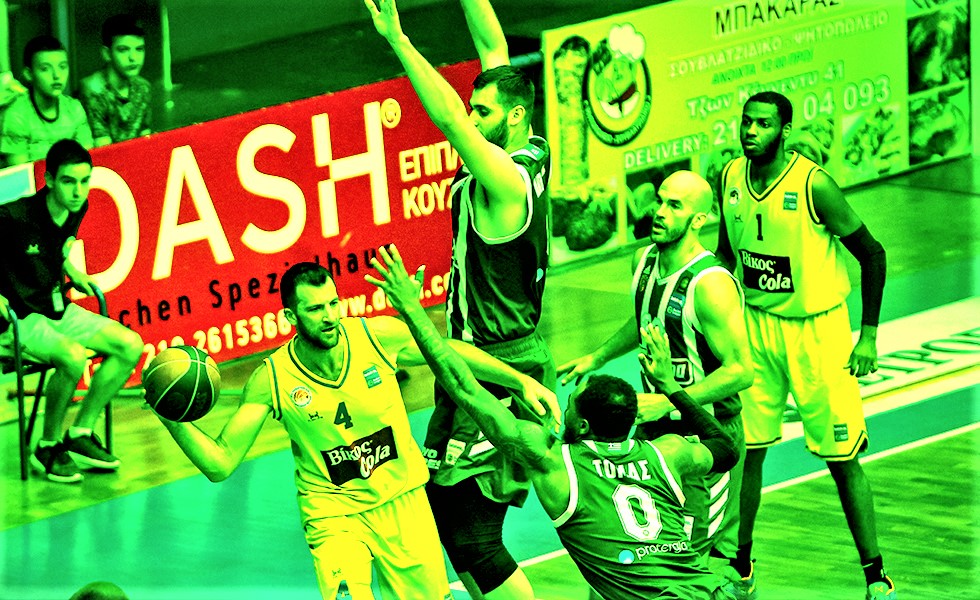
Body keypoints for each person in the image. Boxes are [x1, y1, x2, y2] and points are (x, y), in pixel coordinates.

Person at [155, 260, 559, 600]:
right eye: (315, 308)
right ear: (291, 317)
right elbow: (221, 462)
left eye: (333, 303)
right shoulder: (272, 379)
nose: (329, 315)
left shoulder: (376, 337)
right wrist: (170, 417)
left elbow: (449, 351)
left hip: (403, 500)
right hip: (333, 514)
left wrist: (519, 380)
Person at [366, 244, 740, 600]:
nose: (563, 406)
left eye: (570, 404)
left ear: (582, 427)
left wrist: (413, 310)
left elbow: (464, 387)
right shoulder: (669, 452)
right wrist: (671, 388)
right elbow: (724, 446)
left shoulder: (555, 465)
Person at [366, 1, 553, 598]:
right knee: (448, 511)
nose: (474, 116)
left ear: (514, 115)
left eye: (484, 112)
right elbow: (493, 45)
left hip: (497, 360)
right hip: (472, 354)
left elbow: (450, 122)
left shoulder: (507, 182)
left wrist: (399, 40)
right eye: (474, 107)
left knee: (471, 531)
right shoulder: (532, 145)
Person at [715, 91, 895, 600]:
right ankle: (740, 566)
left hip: (819, 332)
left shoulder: (815, 186)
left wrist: (869, 336)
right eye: (746, 122)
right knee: (744, 452)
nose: (751, 131)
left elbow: (873, 254)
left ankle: (875, 574)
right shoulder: (730, 177)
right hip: (756, 328)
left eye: (763, 123)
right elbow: (726, 256)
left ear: (784, 130)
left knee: (842, 458)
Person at [558, 170, 753, 589]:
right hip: (654, 430)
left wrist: (669, 398)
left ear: (699, 219)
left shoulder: (711, 284)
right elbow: (647, 316)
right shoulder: (643, 260)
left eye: (674, 206)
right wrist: (598, 355)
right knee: (630, 549)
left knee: (689, 560)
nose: (660, 211)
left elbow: (741, 370)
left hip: (704, 435)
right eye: (660, 200)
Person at [0, 139, 143, 483]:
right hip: (19, 319)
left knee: (130, 345)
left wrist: (72, 270)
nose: (78, 191)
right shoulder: (15, 217)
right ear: (49, 180)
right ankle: (47, 446)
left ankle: (80, 433)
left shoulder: (77, 207)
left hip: (56, 308)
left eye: (84, 180)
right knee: (73, 357)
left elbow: (57, 245)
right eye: (68, 181)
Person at [0, 36, 92, 167]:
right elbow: (20, 173)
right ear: (29, 74)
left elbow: (87, 160)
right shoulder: (17, 115)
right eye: (45, 69)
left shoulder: (74, 108)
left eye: (62, 67)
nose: (56, 75)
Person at [79, 14, 151, 147]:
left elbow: (146, 136)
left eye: (139, 49)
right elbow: (102, 148)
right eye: (123, 50)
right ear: (107, 53)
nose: (133, 57)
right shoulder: (93, 91)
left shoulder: (143, 87)